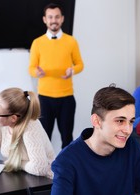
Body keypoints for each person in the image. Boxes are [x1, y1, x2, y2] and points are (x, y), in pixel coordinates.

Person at [28, 2, 84, 149]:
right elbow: (31, 68)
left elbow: (80, 64)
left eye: (57, 17)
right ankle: (44, 168)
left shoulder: (71, 41)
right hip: (45, 98)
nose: (54, 20)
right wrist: (36, 72)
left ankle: (68, 169)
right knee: (44, 137)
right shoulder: (37, 43)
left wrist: (72, 70)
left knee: (67, 137)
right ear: (45, 19)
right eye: (50, 17)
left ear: (62, 19)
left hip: (66, 97)